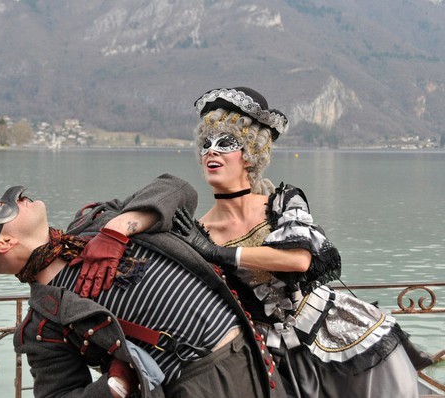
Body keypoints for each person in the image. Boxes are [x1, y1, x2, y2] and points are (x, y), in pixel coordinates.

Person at [0, 175, 284, 398]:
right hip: (205, 383)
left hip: (257, 346)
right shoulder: (43, 324)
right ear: (4, 242)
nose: (18, 195)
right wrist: (115, 386)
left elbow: (178, 189)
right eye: (1, 207)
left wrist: (120, 227)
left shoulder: (96, 219)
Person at [167, 86, 422, 397]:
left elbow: (299, 259)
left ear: (249, 155)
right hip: (260, 349)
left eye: (226, 143)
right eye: (206, 144)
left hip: (329, 334)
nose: (212, 151)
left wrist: (220, 253)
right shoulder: (198, 229)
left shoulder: (282, 202)